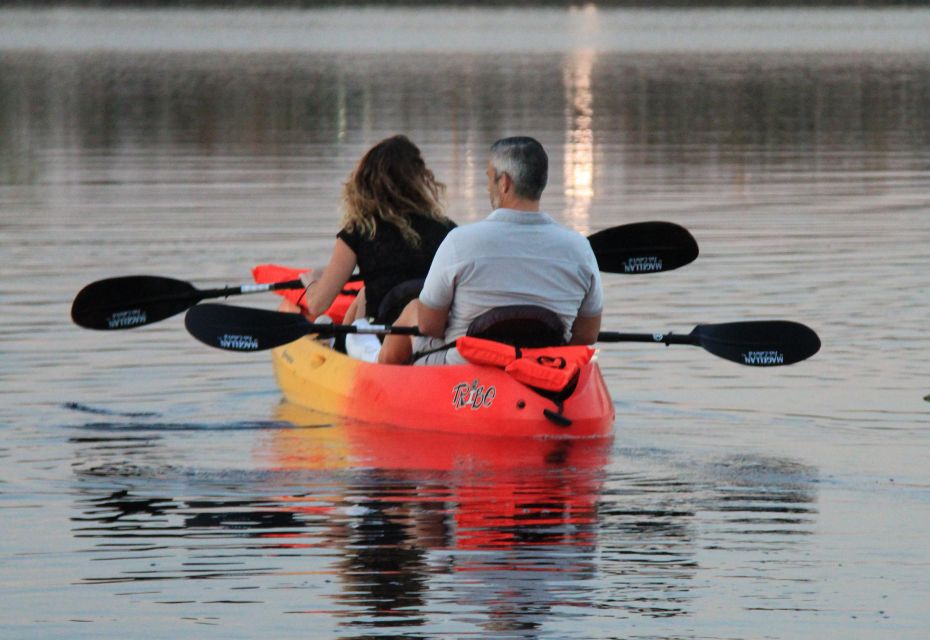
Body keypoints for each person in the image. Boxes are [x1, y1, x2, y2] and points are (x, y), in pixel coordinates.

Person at [379, 136, 603, 365]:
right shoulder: (579, 249)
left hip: (464, 373)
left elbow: (429, 326)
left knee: (414, 309)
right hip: (544, 372)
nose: (488, 186)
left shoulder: (459, 242)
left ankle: (381, 387)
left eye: (489, 177)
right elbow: (586, 335)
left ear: (504, 182)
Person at [300, 135, 456, 327]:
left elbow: (317, 305)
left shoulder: (360, 230)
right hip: (432, 331)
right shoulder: (447, 229)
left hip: (382, 335)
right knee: (363, 294)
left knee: (359, 297)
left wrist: (311, 281)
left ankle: (334, 341)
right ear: (420, 178)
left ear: (365, 183)